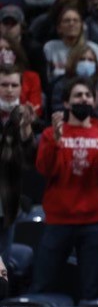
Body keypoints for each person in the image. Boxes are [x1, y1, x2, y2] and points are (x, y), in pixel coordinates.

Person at [32, 79, 98, 301]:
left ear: (95, 100)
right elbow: (45, 170)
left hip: (94, 222)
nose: (84, 99)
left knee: (91, 290)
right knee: (41, 285)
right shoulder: (51, 133)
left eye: (88, 96)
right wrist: (55, 141)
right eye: (78, 95)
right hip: (58, 220)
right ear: (66, 102)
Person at [0, 69, 35, 260]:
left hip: (6, 206)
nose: (9, 90)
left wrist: (26, 131)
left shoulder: (26, 118)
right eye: (4, 85)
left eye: (14, 85)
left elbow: (30, 162)